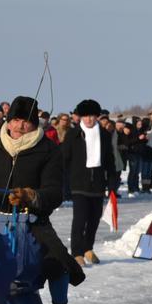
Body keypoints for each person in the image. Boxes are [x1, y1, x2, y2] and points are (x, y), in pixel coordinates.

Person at [0, 96, 84, 304]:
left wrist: (31, 196)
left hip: (32, 222)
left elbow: (54, 192)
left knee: (58, 260)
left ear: (35, 124)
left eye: (26, 121)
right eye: (16, 120)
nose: (21, 126)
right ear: (8, 122)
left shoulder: (48, 150)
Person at [60, 99, 118, 266]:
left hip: (98, 183)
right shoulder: (73, 134)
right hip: (79, 183)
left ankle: (88, 248)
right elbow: (64, 158)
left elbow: (110, 162)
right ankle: (77, 252)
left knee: (94, 219)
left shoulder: (105, 135)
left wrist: (112, 184)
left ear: (97, 117)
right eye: (85, 116)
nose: (89, 120)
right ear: (81, 117)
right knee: (80, 219)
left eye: (92, 116)